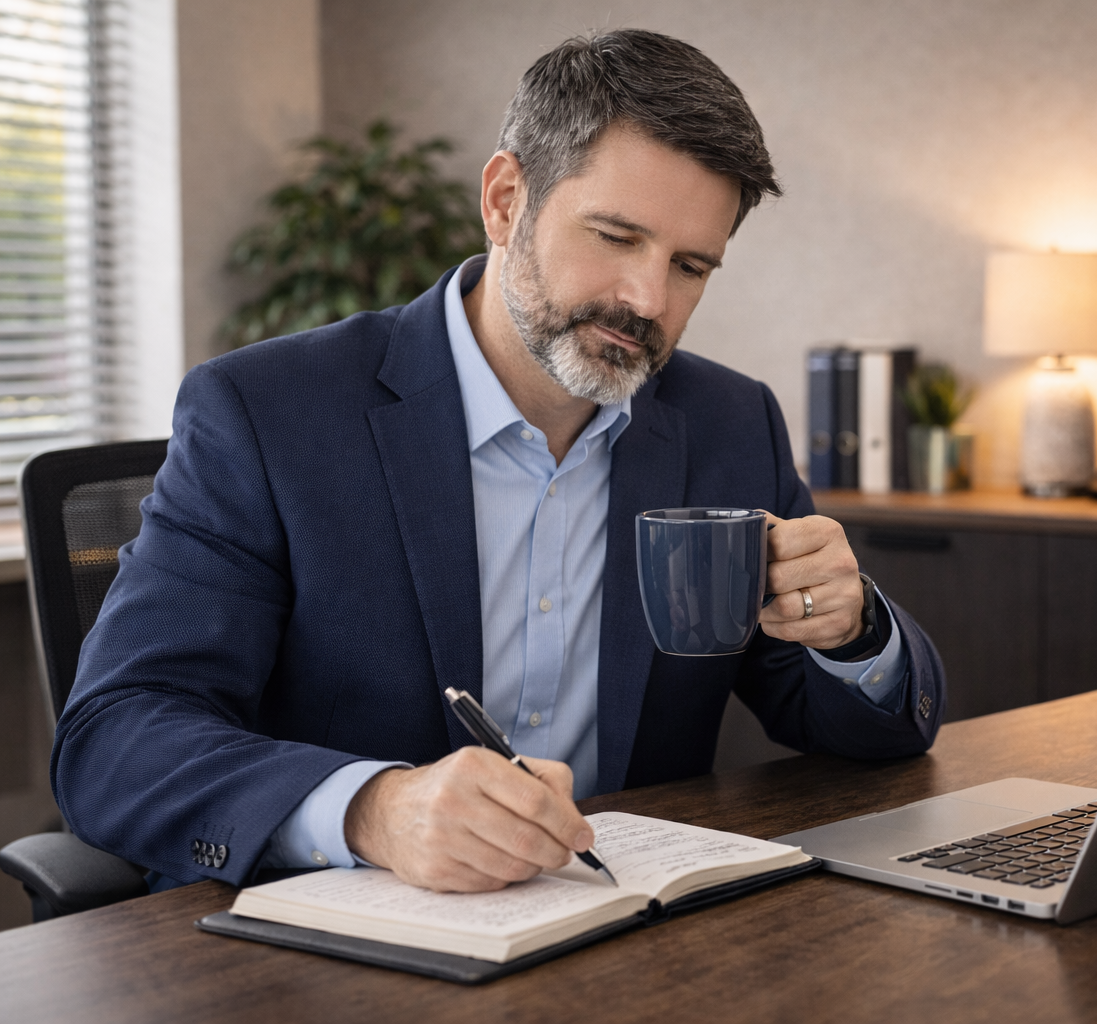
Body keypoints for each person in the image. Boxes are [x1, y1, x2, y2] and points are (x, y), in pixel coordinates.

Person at [53, 29, 944, 894]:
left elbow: (850, 725)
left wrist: (854, 631)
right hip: (339, 944)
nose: (647, 299)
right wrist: (372, 809)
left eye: (691, 266)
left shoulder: (728, 423)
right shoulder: (268, 415)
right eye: (616, 237)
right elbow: (115, 739)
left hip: (631, 939)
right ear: (506, 200)